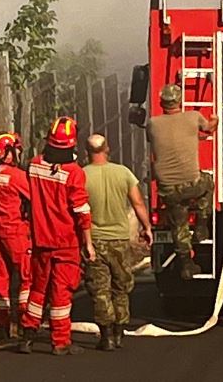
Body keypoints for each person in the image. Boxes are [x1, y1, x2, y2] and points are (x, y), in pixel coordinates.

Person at [18, 116, 95, 356]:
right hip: (66, 242)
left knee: (38, 289)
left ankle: (28, 335)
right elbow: (81, 211)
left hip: (41, 239)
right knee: (62, 292)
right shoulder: (74, 173)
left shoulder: (34, 165)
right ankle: (60, 341)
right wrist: (88, 244)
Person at [82, 134, 152, 352]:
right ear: (108, 148)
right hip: (119, 240)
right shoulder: (123, 173)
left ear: (86, 151)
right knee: (121, 287)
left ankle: (106, 336)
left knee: (100, 289)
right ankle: (120, 332)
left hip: (94, 240)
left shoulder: (81, 176)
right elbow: (138, 202)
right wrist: (147, 227)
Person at [146, 84, 218, 280]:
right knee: (208, 182)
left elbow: (151, 140)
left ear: (162, 103)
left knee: (178, 224)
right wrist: (214, 120)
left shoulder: (152, 123)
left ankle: (186, 264)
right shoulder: (193, 117)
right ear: (179, 101)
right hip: (192, 184)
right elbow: (209, 129)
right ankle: (203, 223)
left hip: (168, 189)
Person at [0, 130, 32, 339]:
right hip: (16, 232)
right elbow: (34, 196)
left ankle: (1, 325)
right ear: (8, 152)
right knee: (26, 278)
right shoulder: (16, 176)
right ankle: (24, 322)